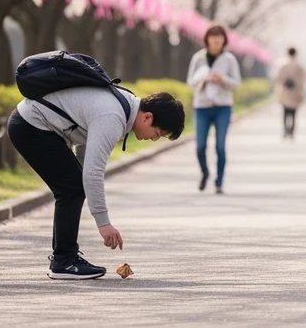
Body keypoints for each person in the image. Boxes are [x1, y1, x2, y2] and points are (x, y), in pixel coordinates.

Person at [9, 85, 185, 280]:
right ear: (147, 117)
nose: (154, 139)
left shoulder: (124, 105)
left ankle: (64, 258)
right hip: (31, 125)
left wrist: (80, 176)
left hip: (33, 124)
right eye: (158, 134)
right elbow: (93, 173)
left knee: (74, 187)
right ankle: (64, 261)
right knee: (72, 189)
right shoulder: (114, 117)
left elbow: (85, 142)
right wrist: (104, 224)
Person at [188, 24, 242, 194]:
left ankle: (219, 181)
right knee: (200, 146)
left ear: (224, 40)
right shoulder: (198, 58)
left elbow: (236, 83)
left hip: (223, 107)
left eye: (219, 36)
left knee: (220, 146)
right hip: (202, 107)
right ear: (207, 39)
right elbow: (190, 81)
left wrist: (222, 79)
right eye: (212, 36)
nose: (216, 39)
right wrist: (203, 79)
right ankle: (205, 172)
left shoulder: (229, 59)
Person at [274, 47, 306, 139]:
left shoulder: (282, 64)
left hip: (284, 92)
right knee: (293, 113)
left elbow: (278, 78)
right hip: (295, 93)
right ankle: (291, 131)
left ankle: (285, 130)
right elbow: (303, 79)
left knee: (285, 112)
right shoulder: (299, 66)